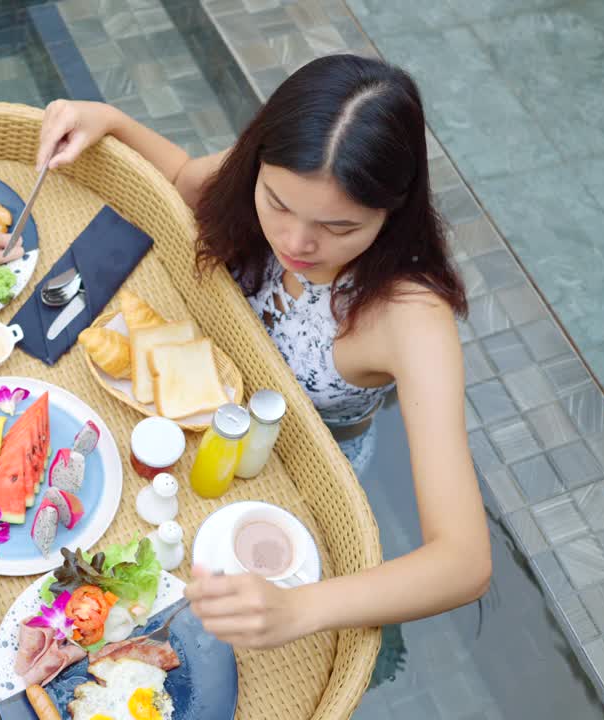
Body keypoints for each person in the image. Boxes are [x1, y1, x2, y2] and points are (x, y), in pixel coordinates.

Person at [35, 54, 491, 653]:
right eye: (276, 203)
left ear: (393, 210)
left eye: (339, 227)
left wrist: (303, 608)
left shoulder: (412, 318)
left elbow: (464, 561)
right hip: (195, 412)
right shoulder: (274, 174)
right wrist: (114, 122)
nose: (296, 242)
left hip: (297, 467)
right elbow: (180, 177)